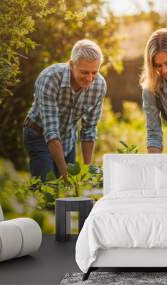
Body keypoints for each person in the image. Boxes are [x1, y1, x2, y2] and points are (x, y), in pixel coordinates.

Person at [23, 39, 106, 181]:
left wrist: (86, 171)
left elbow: (89, 130)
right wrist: (65, 176)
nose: (90, 78)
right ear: (71, 64)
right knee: (47, 187)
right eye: (85, 72)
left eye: (94, 72)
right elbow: (51, 132)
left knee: (71, 192)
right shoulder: (49, 79)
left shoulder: (99, 85)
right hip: (39, 135)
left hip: (67, 137)